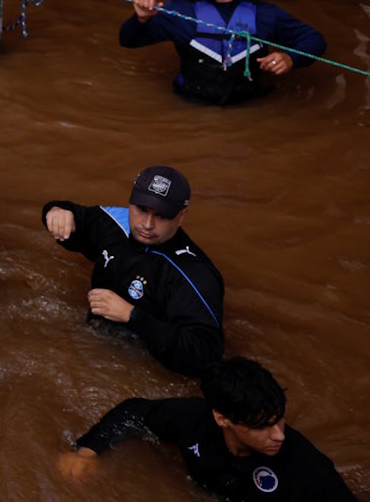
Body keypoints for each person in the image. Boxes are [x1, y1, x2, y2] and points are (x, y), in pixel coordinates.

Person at [63, 357, 354, 500]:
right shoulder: (192, 421)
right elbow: (134, 412)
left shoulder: (308, 468)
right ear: (222, 419)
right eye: (262, 426)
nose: (278, 434)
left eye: (279, 419)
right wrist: (87, 451)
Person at [42, 164, 225, 377]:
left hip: (143, 367)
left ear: (182, 215)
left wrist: (132, 316)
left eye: (161, 216)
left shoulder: (193, 274)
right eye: (141, 209)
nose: (147, 224)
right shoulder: (116, 223)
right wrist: (55, 212)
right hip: (91, 343)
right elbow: (74, 218)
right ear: (130, 202)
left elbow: (205, 355)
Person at [120, 0, 327, 105]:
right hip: (189, 104)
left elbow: (314, 40)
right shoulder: (179, 11)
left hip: (250, 106)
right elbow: (127, 40)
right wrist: (140, 19)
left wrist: (291, 58)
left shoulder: (264, 14)